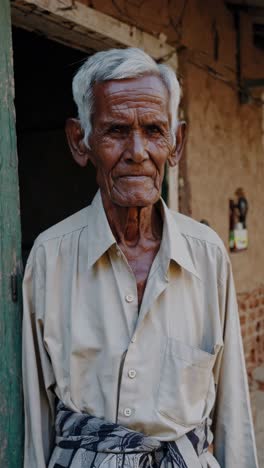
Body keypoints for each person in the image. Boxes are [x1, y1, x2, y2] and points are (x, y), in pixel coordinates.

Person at [22, 48, 259, 468]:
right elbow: (36, 423)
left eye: (153, 130)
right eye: (115, 130)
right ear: (81, 142)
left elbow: (232, 407)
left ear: (176, 143)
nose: (137, 152)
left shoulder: (206, 255)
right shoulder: (50, 256)